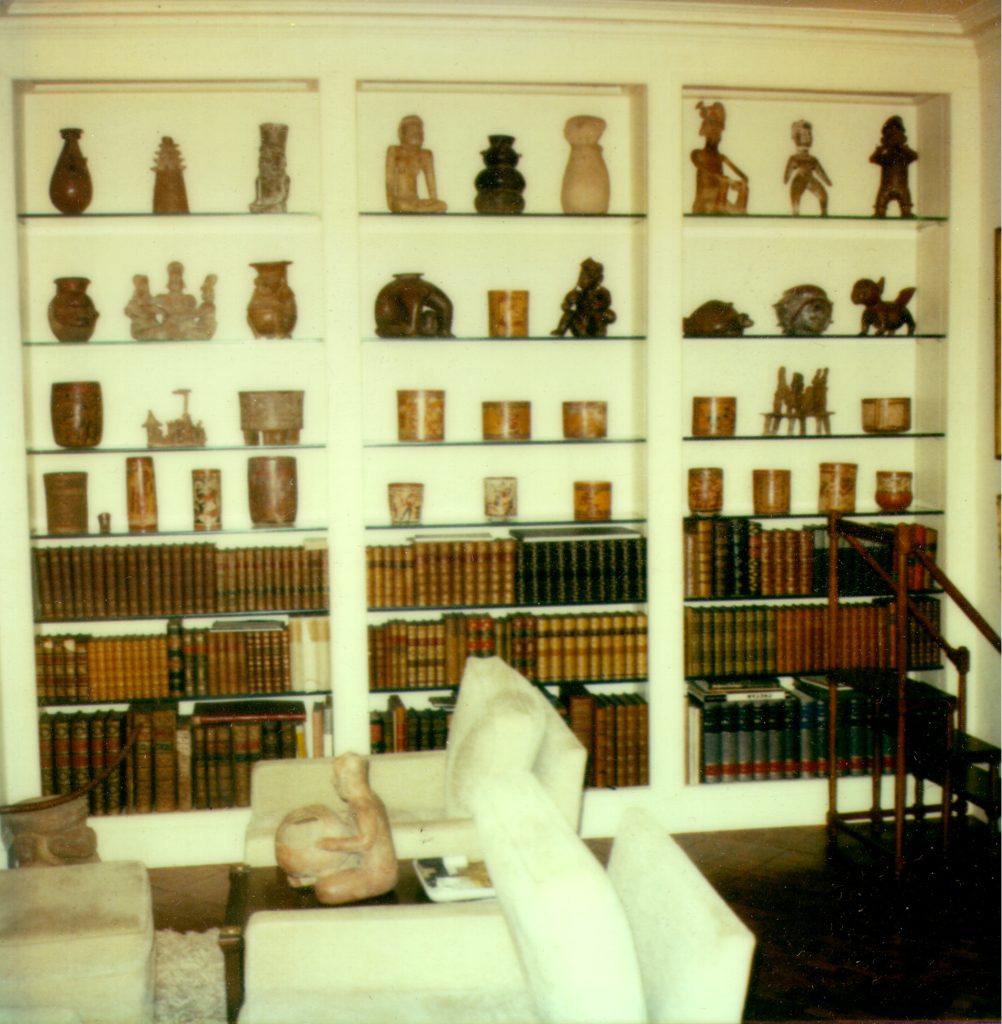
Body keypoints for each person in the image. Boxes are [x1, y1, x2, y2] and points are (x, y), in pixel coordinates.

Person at [275, 752, 398, 905]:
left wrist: (332, 844)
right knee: (330, 867)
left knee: (325, 891)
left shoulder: (364, 807)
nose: (333, 782)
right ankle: (318, 877)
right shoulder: (360, 801)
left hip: (377, 875)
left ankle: (316, 879)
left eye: (337, 778)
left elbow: (364, 843)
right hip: (359, 862)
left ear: (348, 780)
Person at [691, 101, 748, 214]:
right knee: (723, 183)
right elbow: (703, 168)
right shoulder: (697, 154)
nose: (716, 136)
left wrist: (739, 183)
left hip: (720, 198)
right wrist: (723, 178)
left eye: (718, 133)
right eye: (712, 131)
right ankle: (721, 210)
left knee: (744, 188)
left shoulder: (722, 157)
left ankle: (737, 212)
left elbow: (744, 177)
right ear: (705, 132)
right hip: (704, 201)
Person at [385, 114, 447, 213]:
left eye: (420, 131)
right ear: (402, 133)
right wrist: (392, 202)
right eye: (412, 130)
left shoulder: (426, 155)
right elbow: (389, 189)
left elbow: (433, 195)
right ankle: (421, 210)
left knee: (442, 205)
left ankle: (419, 210)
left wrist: (432, 203)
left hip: (416, 202)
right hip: (401, 201)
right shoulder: (394, 151)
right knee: (401, 205)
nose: (418, 133)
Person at [784, 120, 832, 216]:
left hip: (810, 179)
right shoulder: (795, 158)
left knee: (824, 196)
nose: (808, 137)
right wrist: (786, 177)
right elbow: (787, 175)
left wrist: (827, 181)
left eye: (809, 134)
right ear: (796, 137)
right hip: (799, 179)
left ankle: (824, 213)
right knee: (795, 198)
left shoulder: (812, 159)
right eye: (805, 134)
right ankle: (795, 213)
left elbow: (820, 172)